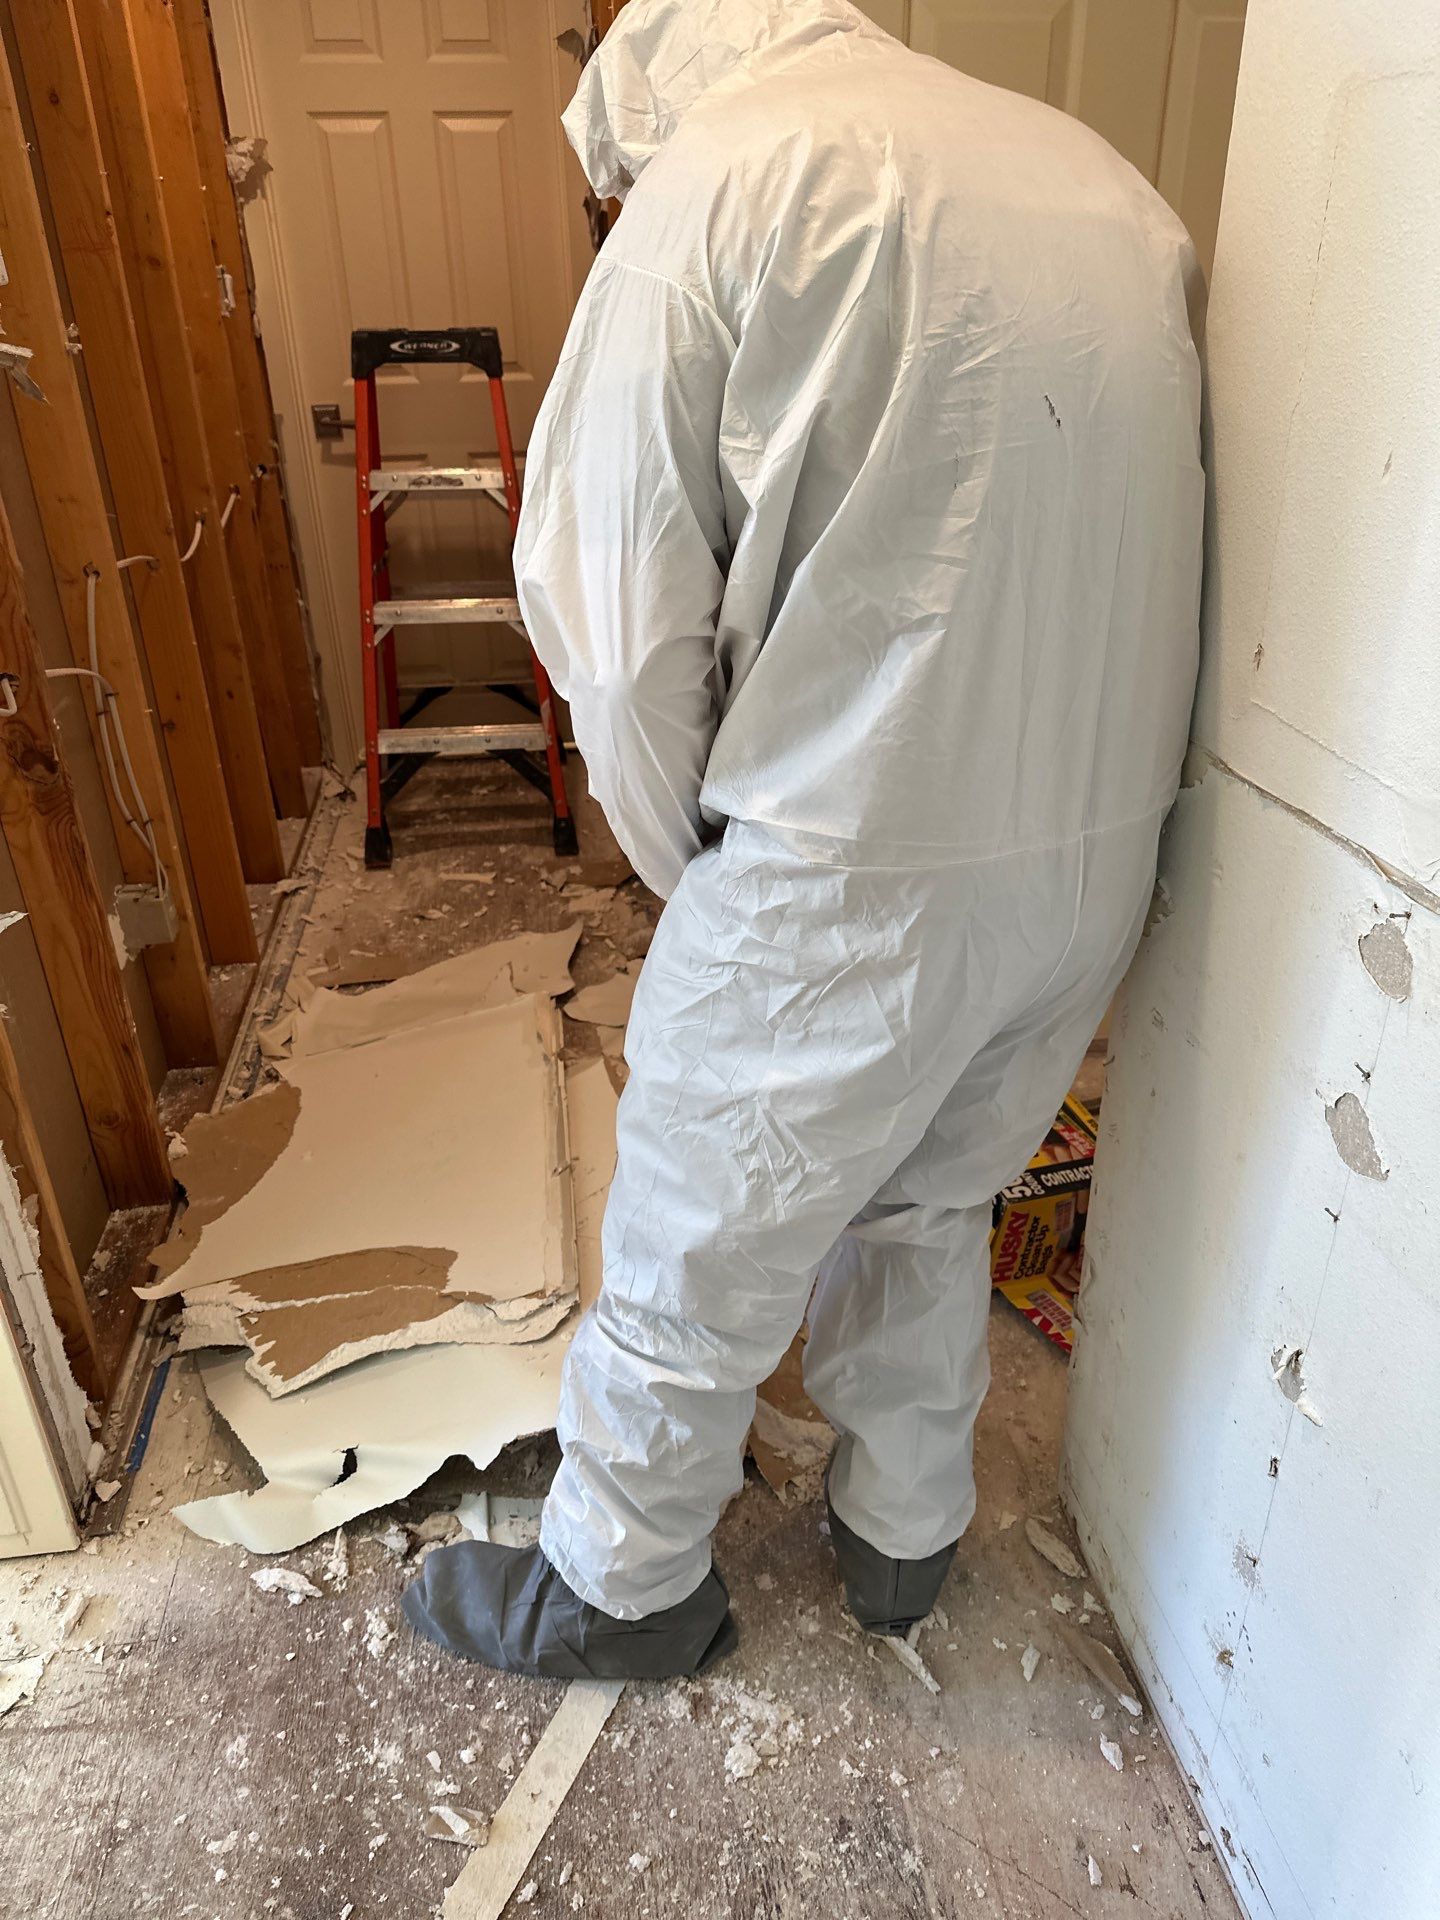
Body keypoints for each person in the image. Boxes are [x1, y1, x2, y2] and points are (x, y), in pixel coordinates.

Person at [403, 0, 1204, 1679]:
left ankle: (619, 1588)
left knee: (700, 1230)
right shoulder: (1100, 183)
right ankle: (900, 1537)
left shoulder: (718, 187)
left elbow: (616, 628)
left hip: (860, 841)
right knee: (932, 1189)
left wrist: (690, 869)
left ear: (632, 101)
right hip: (1099, 845)